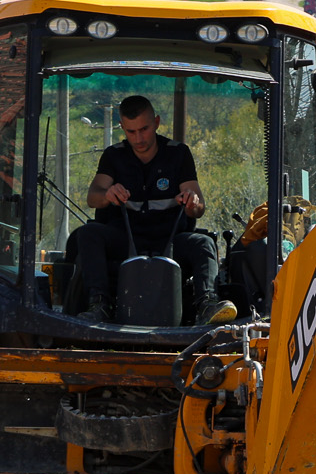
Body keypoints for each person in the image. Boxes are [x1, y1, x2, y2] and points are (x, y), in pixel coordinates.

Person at [66, 95, 235, 325]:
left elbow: (199, 207)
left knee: (204, 243)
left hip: (170, 238)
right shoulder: (113, 156)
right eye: (131, 131)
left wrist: (192, 202)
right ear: (122, 128)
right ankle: (99, 305)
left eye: (144, 129)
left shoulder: (178, 154)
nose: (138, 138)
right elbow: (93, 197)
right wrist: (107, 194)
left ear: (156, 122)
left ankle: (207, 305)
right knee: (87, 234)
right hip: (125, 238)